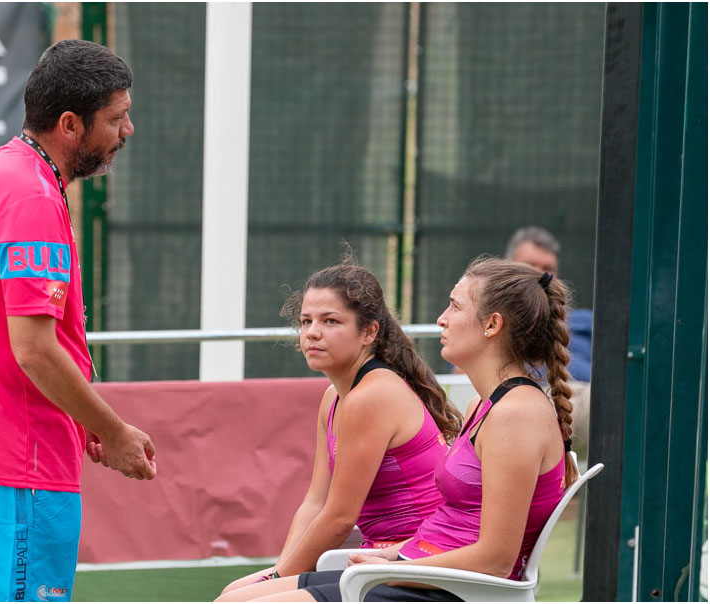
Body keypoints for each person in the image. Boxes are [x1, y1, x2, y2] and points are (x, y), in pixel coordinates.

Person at [0, 39, 156, 602]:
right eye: (116, 118)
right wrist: (112, 430)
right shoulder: (31, 197)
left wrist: (79, 415)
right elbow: (34, 350)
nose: (127, 130)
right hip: (12, 465)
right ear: (70, 124)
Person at [225, 256, 577, 602]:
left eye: (455, 307)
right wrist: (390, 557)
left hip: (444, 588)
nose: (441, 319)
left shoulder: (516, 415)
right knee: (233, 598)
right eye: (306, 321)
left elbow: (497, 560)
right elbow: (455, 525)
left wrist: (392, 568)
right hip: (415, 571)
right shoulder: (485, 407)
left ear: (492, 325)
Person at [218, 259, 462, 600]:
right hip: (376, 565)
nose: (312, 332)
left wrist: (278, 577)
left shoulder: (372, 396)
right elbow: (315, 502)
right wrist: (281, 569)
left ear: (369, 332)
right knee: (234, 593)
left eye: (330, 321)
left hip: (419, 571)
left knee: (239, 600)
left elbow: (339, 519)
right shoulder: (333, 398)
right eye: (306, 321)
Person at [505, 226, 592, 452]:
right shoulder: (497, 323)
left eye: (547, 269)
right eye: (530, 266)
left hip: (592, 396)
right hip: (540, 402)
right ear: (507, 269)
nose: (539, 275)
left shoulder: (584, 321)